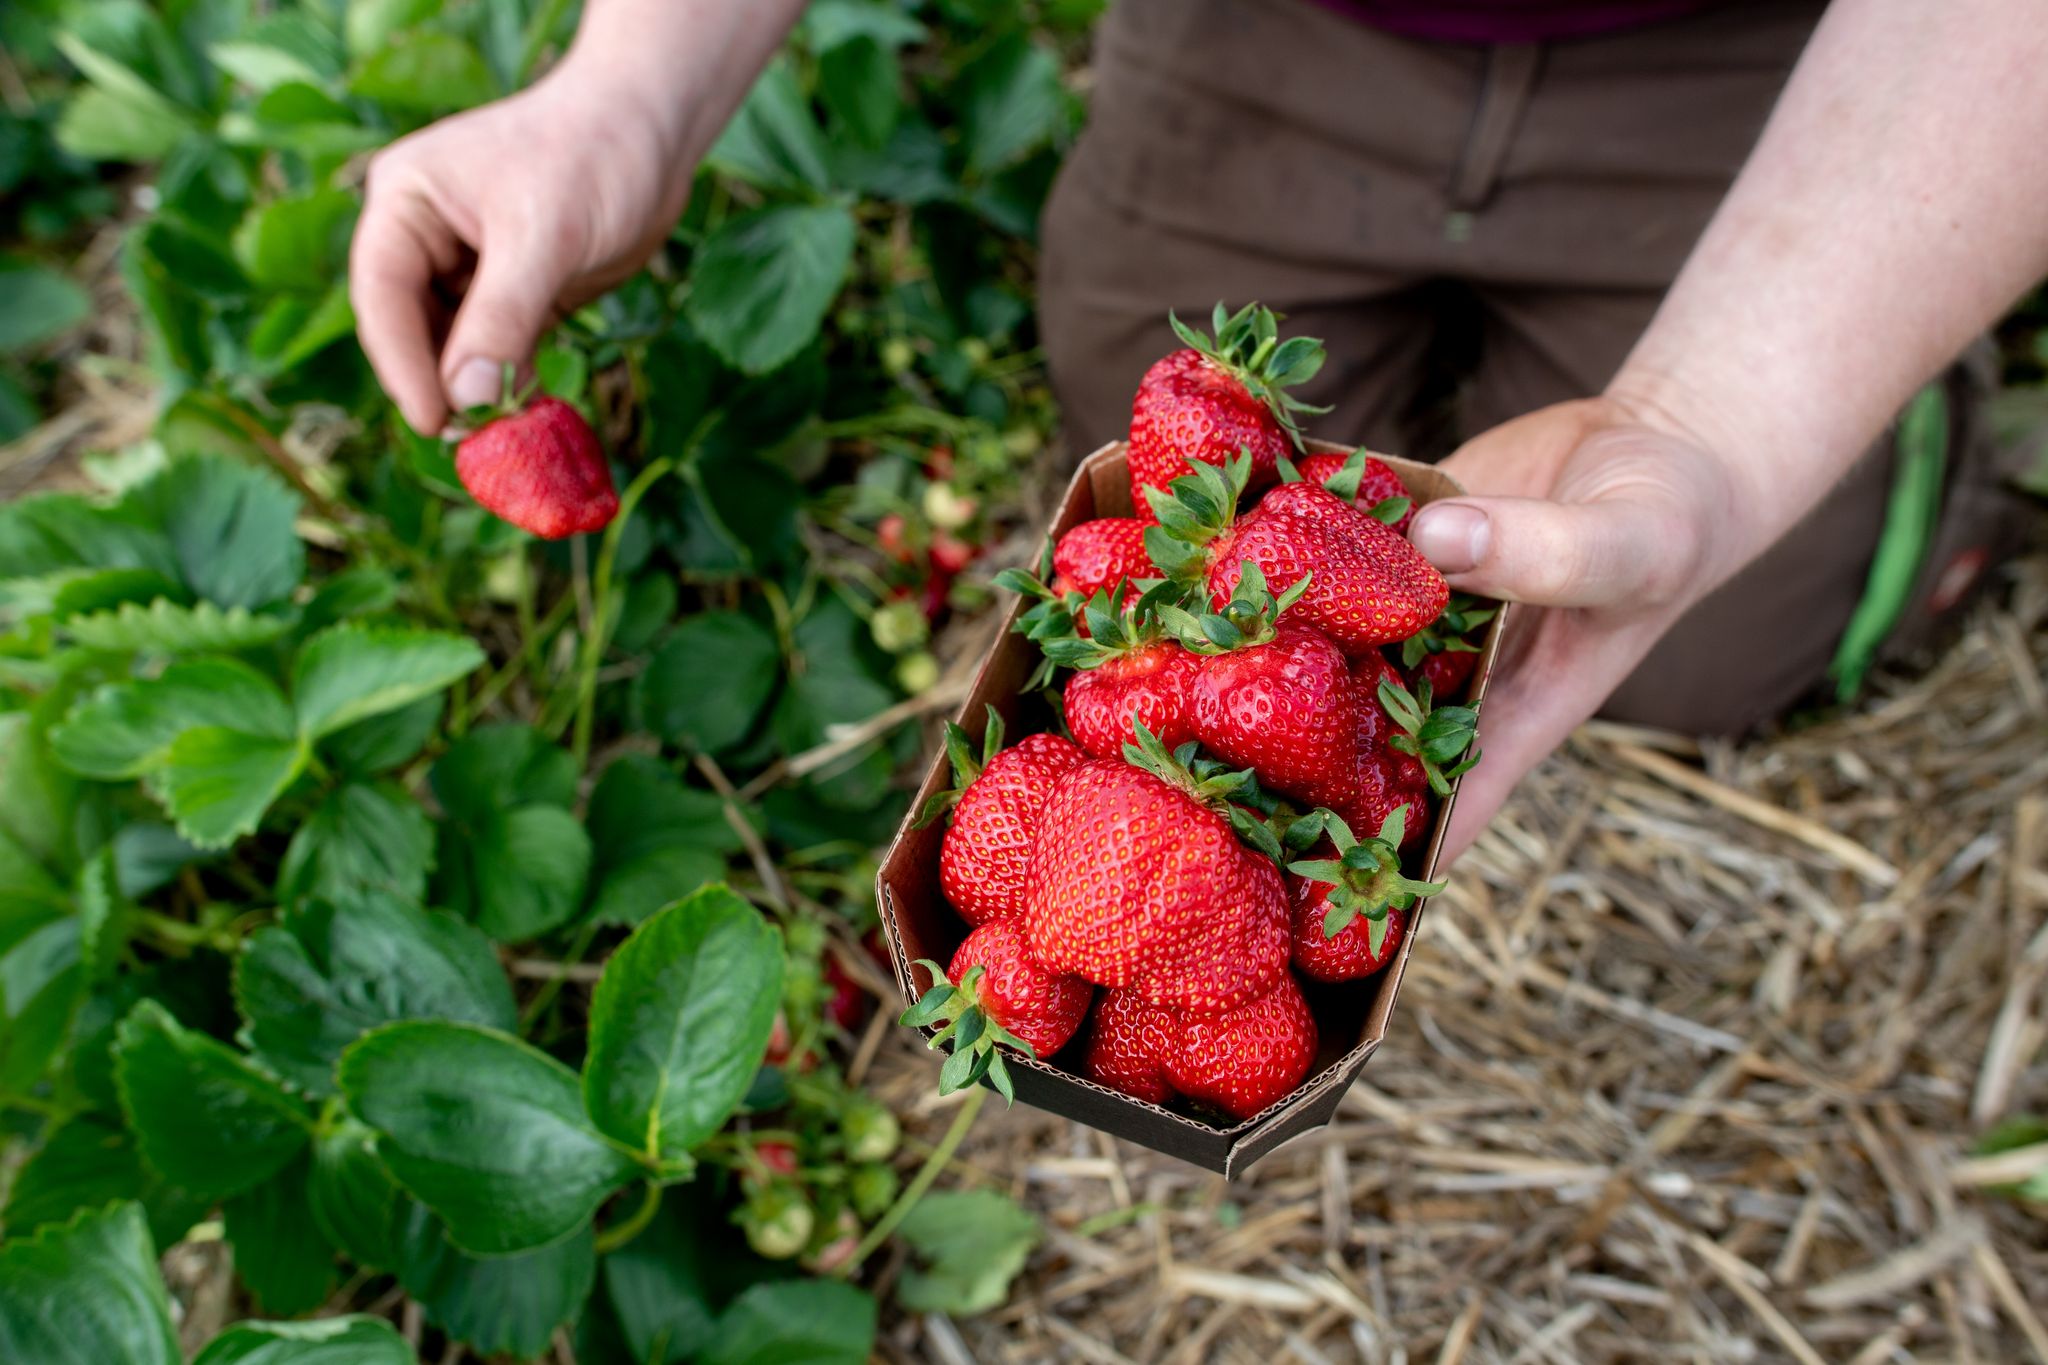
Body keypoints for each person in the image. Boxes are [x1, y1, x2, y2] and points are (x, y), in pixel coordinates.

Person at [349, 0, 2048, 859]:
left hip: (1803, 56)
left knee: (1705, 628)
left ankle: (1924, 413)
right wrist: (628, 93)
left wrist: (1718, 422)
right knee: (1186, 451)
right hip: (1286, 26)